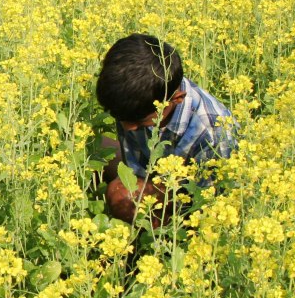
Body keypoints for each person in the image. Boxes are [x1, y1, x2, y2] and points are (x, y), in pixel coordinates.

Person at [95, 33, 237, 224]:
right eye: (119, 117)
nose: (127, 128)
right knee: (95, 147)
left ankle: (145, 244)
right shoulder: (135, 93)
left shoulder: (213, 132)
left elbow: (214, 208)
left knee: (121, 195)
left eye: (139, 120)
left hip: (188, 203)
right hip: (150, 174)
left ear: (176, 99)